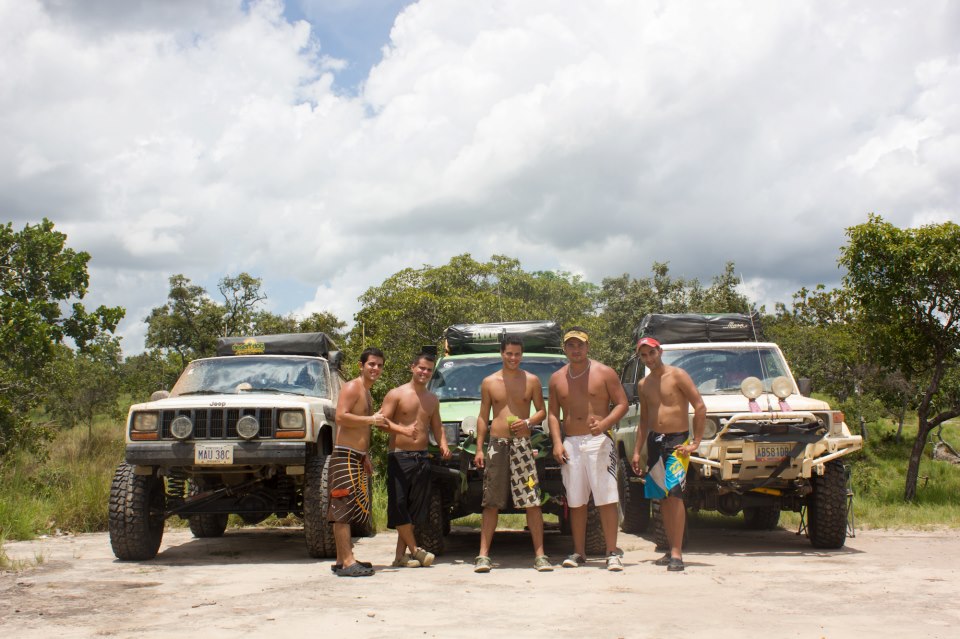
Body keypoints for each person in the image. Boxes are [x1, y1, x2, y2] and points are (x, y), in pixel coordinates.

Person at [547, 327, 629, 571]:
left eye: (580, 345)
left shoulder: (604, 372)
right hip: (571, 442)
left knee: (606, 497)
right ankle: (578, 552)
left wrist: (604, 423)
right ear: (565, 349)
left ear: (587, 346)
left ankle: (612, 551)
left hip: (598, 442)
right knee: (576, 500)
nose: (576, 350)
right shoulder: (557, 378)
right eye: (571, 345)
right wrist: (557, 441)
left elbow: (622, 403)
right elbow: (553, 413)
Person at [473, 335, 551, 573]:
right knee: (491, 501)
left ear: (522, 355)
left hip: (522, 445)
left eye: (517, 354)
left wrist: (527, 421)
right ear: (501, 353)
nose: (513, 358)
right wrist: (479, 448)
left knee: (532, 499)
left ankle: (540, 556)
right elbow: (482, 416)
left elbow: (542, 412)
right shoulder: (489, 382)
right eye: (509, 353)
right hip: (497, 445)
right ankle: (483, 556)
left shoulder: (532, 380)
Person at [630, 336, 706, 572]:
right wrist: (636, 451)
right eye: (644, 355)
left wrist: (695, 441)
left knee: (675, 494)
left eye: (652, 353)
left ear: (659, 351)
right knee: (662, 497)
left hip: (677, 442)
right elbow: (643, 420)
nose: (649, 358)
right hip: (655, 441)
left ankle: (677, 552)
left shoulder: (678, 375)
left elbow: (699, 405)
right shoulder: (643, 384)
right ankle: (669, 547)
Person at [380, 352, 452, 568]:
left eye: (429, 370)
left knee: (413, 510)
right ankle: (416, 551)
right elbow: (380, 421)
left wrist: (444, 444)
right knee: (399, 506)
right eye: (421, 368)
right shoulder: (397, 394)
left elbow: (437, 426)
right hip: (399, 456)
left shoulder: (432, 399)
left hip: (422, 457)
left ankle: (400, 557)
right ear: (412, 367)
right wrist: (401, 428)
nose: (425, 373)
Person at [329, 347, 385, 577]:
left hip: (355, 456)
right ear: (361, 366)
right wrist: (372, 419)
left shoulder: (367, 392)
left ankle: (343, 558)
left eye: (380, 365)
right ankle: (347, 562)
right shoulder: (353, 387)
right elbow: (340, 416)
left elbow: (359, 428)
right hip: (343, 456)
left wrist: (365, 455)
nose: (376, 369)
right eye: (372, 364)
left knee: (348, 509)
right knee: (342, 509)